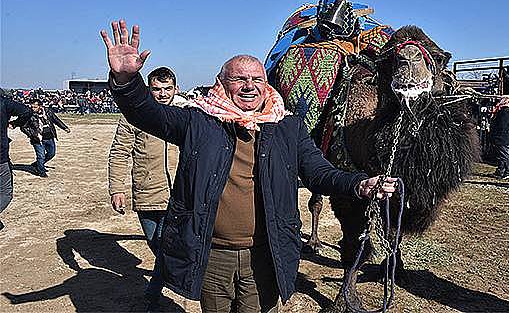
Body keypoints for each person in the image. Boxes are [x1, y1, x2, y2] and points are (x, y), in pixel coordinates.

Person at [100, 20, 396, 312]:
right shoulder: (199, 121)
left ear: (266, 85)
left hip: (265, 254)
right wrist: (127, 82)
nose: (249, 86)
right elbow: (147, 114)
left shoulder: (287, 127)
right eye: (239, 79)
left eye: (257, 79)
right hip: (213, 254)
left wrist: (358, 184)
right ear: (222, 83)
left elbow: (319, 172)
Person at [108, 66, 181, 310]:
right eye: (157, 89)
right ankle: (166, 276)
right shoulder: (133, 116)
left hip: (179, 194)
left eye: (167, 88)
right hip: (146, 190)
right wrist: (116, 188)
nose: (162, 94)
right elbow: (119, 153)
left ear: (176, 89)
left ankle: (152, 294)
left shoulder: (185, 115)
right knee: (156, 244)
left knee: (166, 243)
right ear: (149, 90)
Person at [0, 95, 33, 231]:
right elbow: (27, 112)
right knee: (6, 192)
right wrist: (16, 123)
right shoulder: (3, 102)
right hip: (0, 157)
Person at [20, 98, 70, 177]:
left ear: (40, 106)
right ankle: (41, 171)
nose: (33, 109)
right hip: (37, 139)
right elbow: (23, 127)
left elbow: (56, 120)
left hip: (49, 137)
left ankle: (37, 164)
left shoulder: (48, 112)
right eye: (32, 107)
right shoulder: (29, 114)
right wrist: (32, 134)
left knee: (51, 154)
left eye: (35, 107)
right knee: (41, 156)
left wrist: (64, 127)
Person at [489, 97, 509, 180]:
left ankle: (507, 172)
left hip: (503, 137)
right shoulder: (508, 111)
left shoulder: (505, 112)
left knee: (504, 155)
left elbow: (501, 125)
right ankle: (501, 171)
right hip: (505, 137)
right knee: (502, 155)